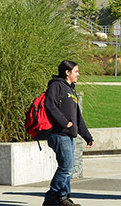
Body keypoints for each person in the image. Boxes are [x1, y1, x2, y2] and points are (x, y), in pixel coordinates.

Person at [41, 60, 94, 206]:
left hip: (68, 135)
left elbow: (78, 117)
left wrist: (87, 136)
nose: (78, 74)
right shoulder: (56, 85)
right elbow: (49, 105)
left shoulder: (71, 90)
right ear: (67, 72)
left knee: (67, 168)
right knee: (66, 168)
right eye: (76, 71)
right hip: (59, 134)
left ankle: (63, 198)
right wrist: (65, 123)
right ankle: (51, 197)